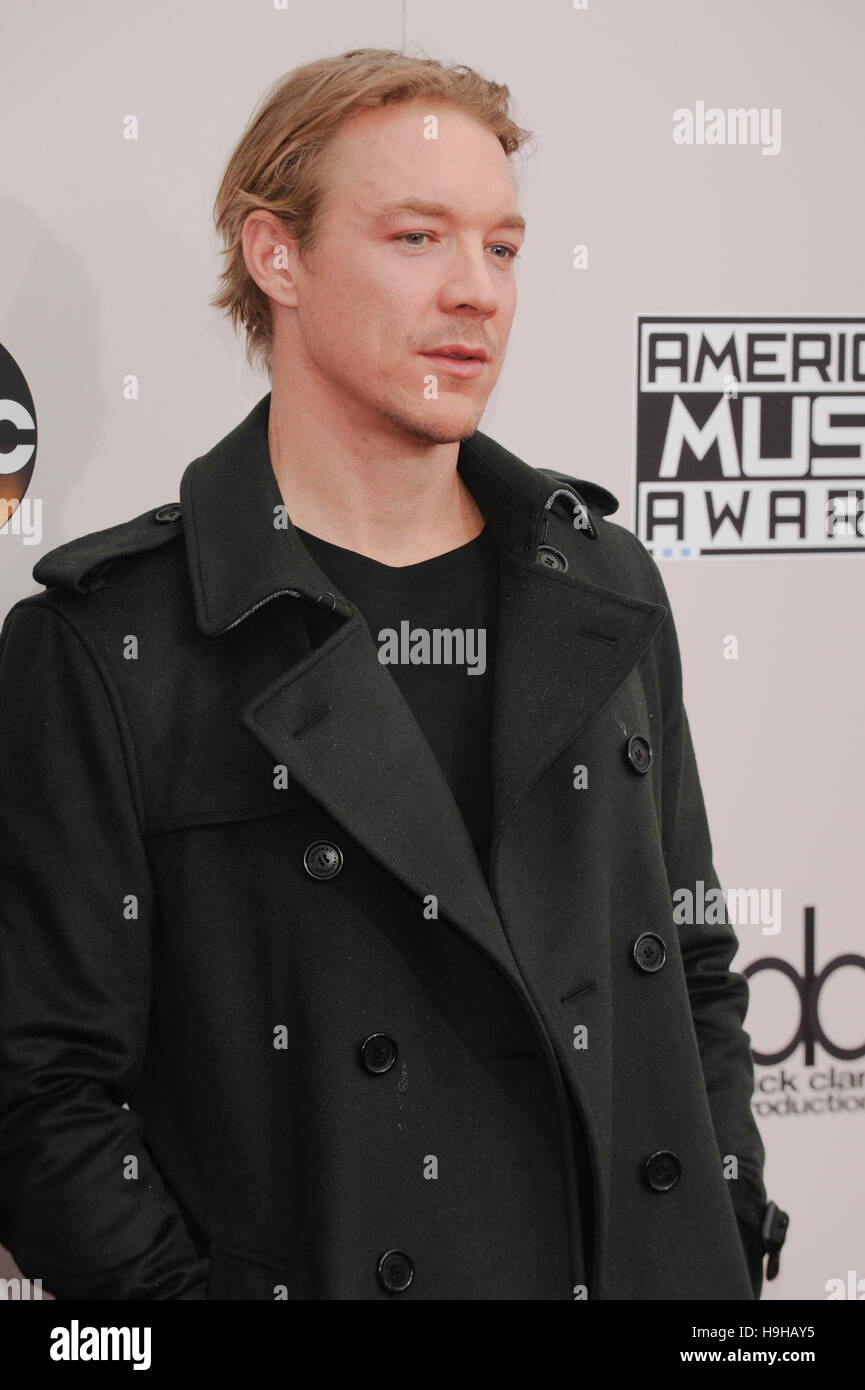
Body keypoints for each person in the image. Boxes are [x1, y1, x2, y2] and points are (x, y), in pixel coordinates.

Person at [0, 47, 787, 1300]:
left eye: (504, 247)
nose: (476, 292)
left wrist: (722, 1214)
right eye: (418, 238)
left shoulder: (606, 583)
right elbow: (43, 1087)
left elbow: (689, 958)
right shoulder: (111, 640)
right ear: (278, 258)